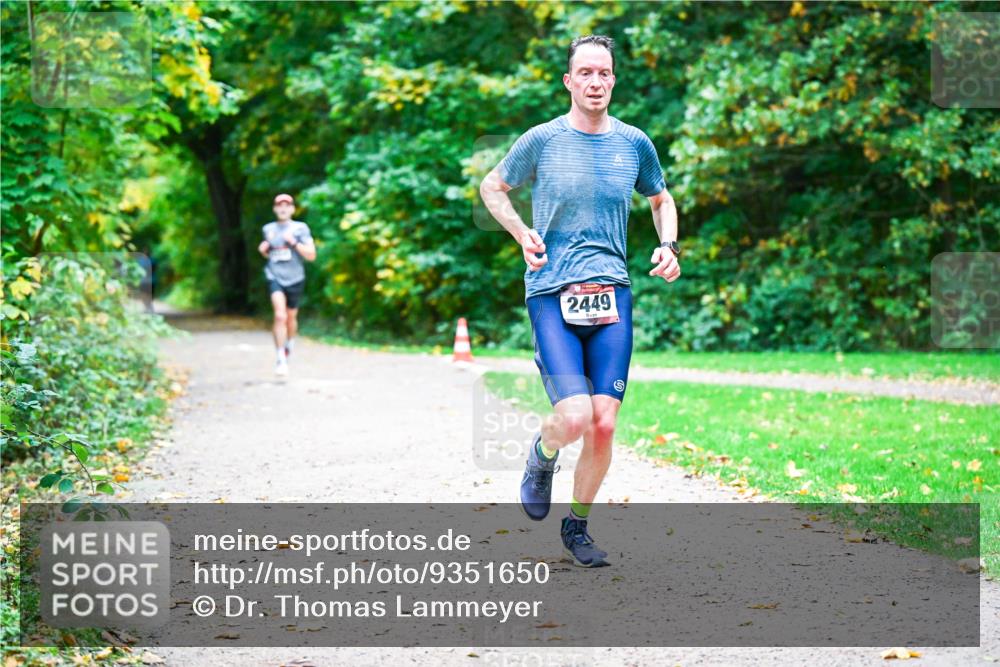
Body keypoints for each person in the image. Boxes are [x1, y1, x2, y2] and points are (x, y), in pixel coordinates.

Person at [480, 35, 681, 567]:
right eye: (585, 73)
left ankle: (578, 527)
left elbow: (661, 200)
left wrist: (668, 244)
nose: (596, 82)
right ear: (569, 81)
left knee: (605, 422)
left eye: (605, 73)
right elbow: (491, 187)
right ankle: (542, 455)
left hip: (613, 290)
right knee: (571, 418)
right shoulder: (542, 140)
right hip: (552, 292)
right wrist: (522, 232)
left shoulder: (634, 143)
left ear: (614, 80)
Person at [257, 193, 316, 376]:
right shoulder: (268, 229)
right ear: (275, 208)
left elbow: (311, 255)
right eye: (279, 205)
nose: (283, 208)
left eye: (287, 205)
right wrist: (264, 251)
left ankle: (289, 343)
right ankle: (280, 357)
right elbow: (273, 254)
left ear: (292, 209)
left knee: (291, 318)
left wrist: (294, 243)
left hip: (295, 278)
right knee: (280, 316)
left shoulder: (300, 228)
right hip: (274, 276)